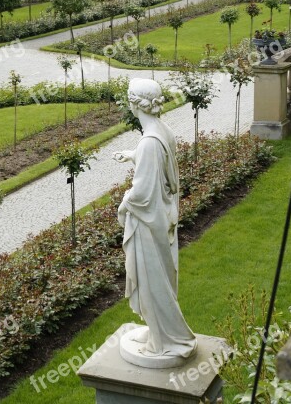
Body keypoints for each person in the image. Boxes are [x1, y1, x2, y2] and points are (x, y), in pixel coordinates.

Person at [113, 78, 197, 367]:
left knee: (153, 282)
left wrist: (124, 204)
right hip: (162, 219)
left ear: (134, 103)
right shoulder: (161, 130)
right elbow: (157, 162)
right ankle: (156, 332)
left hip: (148, 225)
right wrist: (132, 155)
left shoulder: (149, 141)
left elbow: (142, 193)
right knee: (159, 278)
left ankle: (165, 340)